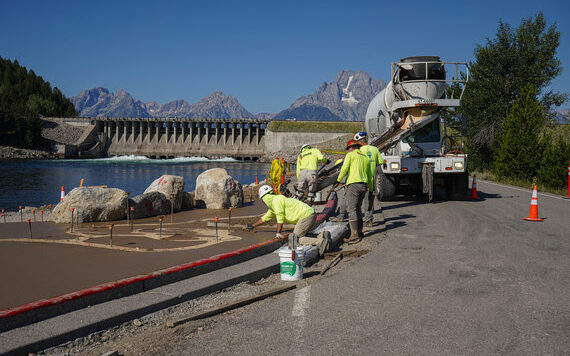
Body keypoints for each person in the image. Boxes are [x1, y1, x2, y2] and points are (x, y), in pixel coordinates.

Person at [244, 185, 331, 256]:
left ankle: (321, 242)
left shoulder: (276, 201)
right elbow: (265, 218)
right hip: (310, 214)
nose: (262, 202)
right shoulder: (276, 201)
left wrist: (278, 233)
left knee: (295, 239)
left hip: (306, 216)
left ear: (264, 198)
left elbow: (280, 217)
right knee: (303, 234)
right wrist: (253, 225)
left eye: (262, 200)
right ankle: (322, 235)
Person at [335, 139, 370, 243]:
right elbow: (369, 173)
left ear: (351, 148)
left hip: (354, 184)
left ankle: (354, 235)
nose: (348, 150)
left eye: (348, 148)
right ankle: (360, 231)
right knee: (358, 208)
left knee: (351, 209)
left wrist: (338, 179)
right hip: (364, 184)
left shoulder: (350, 155)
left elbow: (344, 168)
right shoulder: (365, 157)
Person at [354, 131, 384, 227]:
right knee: (369, 200)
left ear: (360, 142)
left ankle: (358, 221)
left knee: (357, 201)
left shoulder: (359, 151)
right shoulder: (375, 149)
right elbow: (380, 162)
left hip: (361, 178)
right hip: (371, 179)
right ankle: (369, 220)